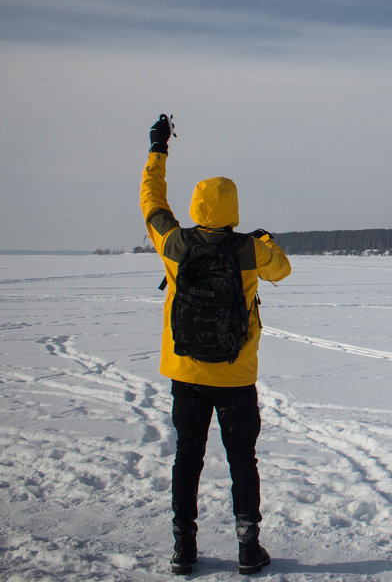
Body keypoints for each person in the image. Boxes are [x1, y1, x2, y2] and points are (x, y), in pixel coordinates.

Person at [140, 115, 292, 575]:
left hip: (185, 372)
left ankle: (183, 548)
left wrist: (158, 150)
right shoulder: (248, 249)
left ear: (196, 206)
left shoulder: (173, 242)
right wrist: (263, 238)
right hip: (235, 375)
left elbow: (151, 201)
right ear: (234, 209)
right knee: (242, 459)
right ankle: (248, 547)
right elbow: (282, 269)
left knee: (188, 456)